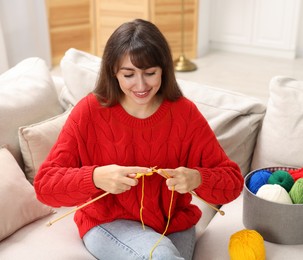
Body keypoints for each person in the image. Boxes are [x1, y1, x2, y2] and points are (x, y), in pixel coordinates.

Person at [34, 19, 243, 260]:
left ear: (164, 69)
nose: (141, 85)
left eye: (150, 73)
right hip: (109, 223)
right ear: (114, 71)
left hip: (173, 226)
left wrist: (197, 178)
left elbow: (232, 182)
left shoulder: (185, 114)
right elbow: (45, 186)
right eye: (129, 74)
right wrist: (95, 178)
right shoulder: (89, 112)